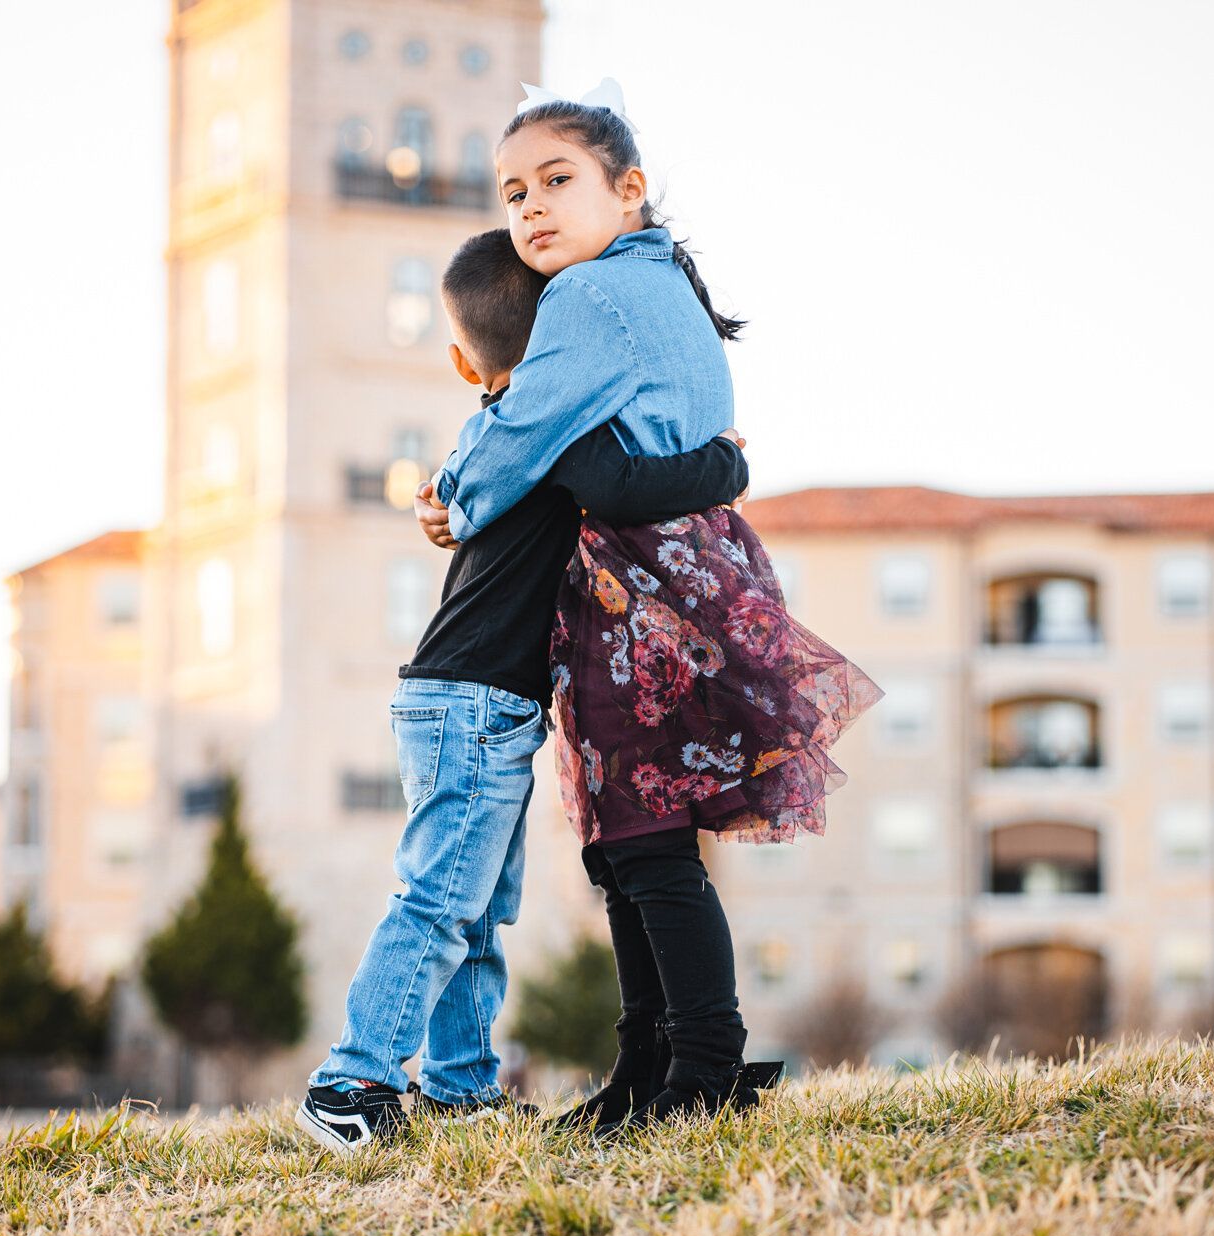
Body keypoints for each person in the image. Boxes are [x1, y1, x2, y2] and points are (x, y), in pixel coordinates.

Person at [420, 82, 883, 1133]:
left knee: (645, 851)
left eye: (557, 180)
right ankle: (649, 1066)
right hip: (678, 579)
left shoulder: (587, 299)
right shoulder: (655, 275)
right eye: (512, 193)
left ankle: (701, 1068)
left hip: (642, 602)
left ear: (627, 190)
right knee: (637, 843)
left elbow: (526, 435)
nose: (530, 206)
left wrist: (449, 498)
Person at [295, 228, 750, 1156]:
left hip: (460, 699)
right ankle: (350, 1080)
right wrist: (727, 462)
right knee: (441, 901)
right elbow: (622, 486)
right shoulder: (555, 431)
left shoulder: (493, 436)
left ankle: (460, 1088)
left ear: (466, 360)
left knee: (479, 906)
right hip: (472, 702)